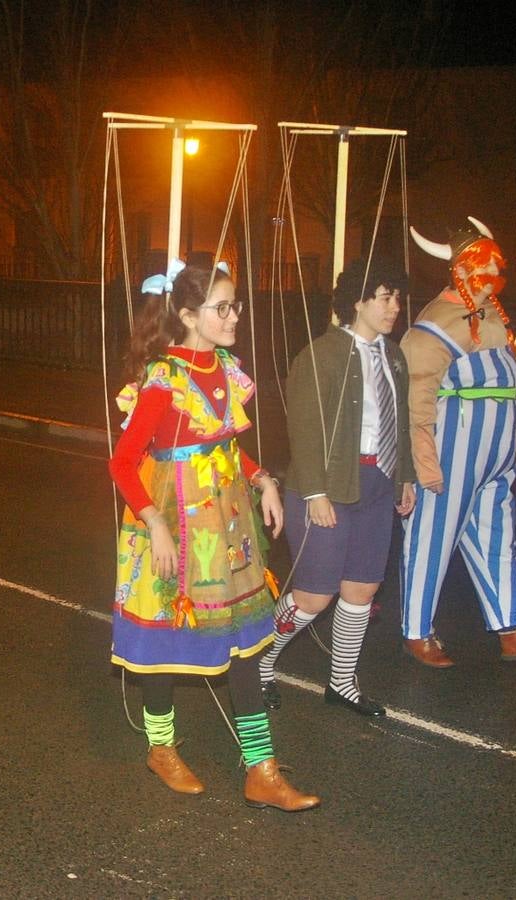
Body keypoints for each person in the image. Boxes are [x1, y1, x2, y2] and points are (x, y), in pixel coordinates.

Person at [108, 259, 318, 812]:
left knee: (244, 643)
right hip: (174, 520)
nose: (234, 317)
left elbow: (224, 443)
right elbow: (123, 463)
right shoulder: (164, 379)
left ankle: (262, 770)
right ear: (187, 316)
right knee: (166, 644)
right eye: (221, 308)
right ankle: (160, 747)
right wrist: (155, 525)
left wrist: (262, 478)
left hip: (227, 523)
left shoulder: (225, 368)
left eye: (236, 306)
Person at [398, 217, 516, 667]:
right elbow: (416, 401)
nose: (494, 275)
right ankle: (417, 630)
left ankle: (511, 628)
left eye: (497, 265)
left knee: (498, 539)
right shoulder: (434, 322)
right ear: (462, 270)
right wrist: (424, 464)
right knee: (432, 537)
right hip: (451, 452)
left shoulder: (495, 316)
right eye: (484, 266)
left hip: (495, 457)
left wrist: (515, 447)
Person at [259, 258, 416, 717]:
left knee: (362, 591)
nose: (395, 307)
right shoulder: (321, 355)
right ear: (358, 302)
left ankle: (341, 681)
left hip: (379, 482)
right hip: (328, 486)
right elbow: (303, 429)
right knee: (313, 595)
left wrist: (403, 476)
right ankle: (261, 661)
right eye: (385, 297)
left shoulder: (394, 356)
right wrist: (314, 493)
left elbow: (400, 423)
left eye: (397, 298)